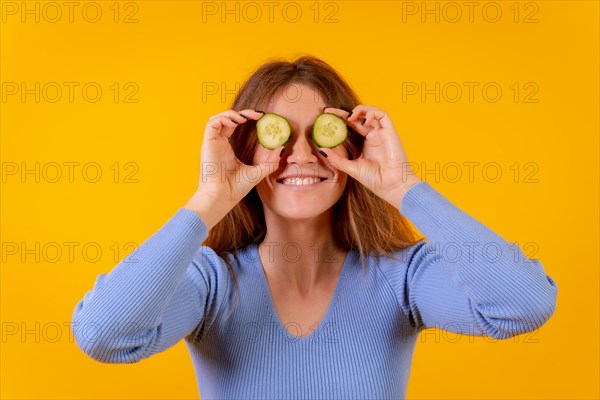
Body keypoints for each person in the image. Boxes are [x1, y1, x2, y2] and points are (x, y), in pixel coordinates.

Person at [71, 55, 559, 399]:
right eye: (276, 133)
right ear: (243, 148)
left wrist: (405, 187)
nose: (301, 155)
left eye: (323, 134)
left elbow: (524, 304)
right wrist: (209, 200)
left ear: (354, 145)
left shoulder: (401, 278)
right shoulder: (211, 282)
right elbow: (103, 335)